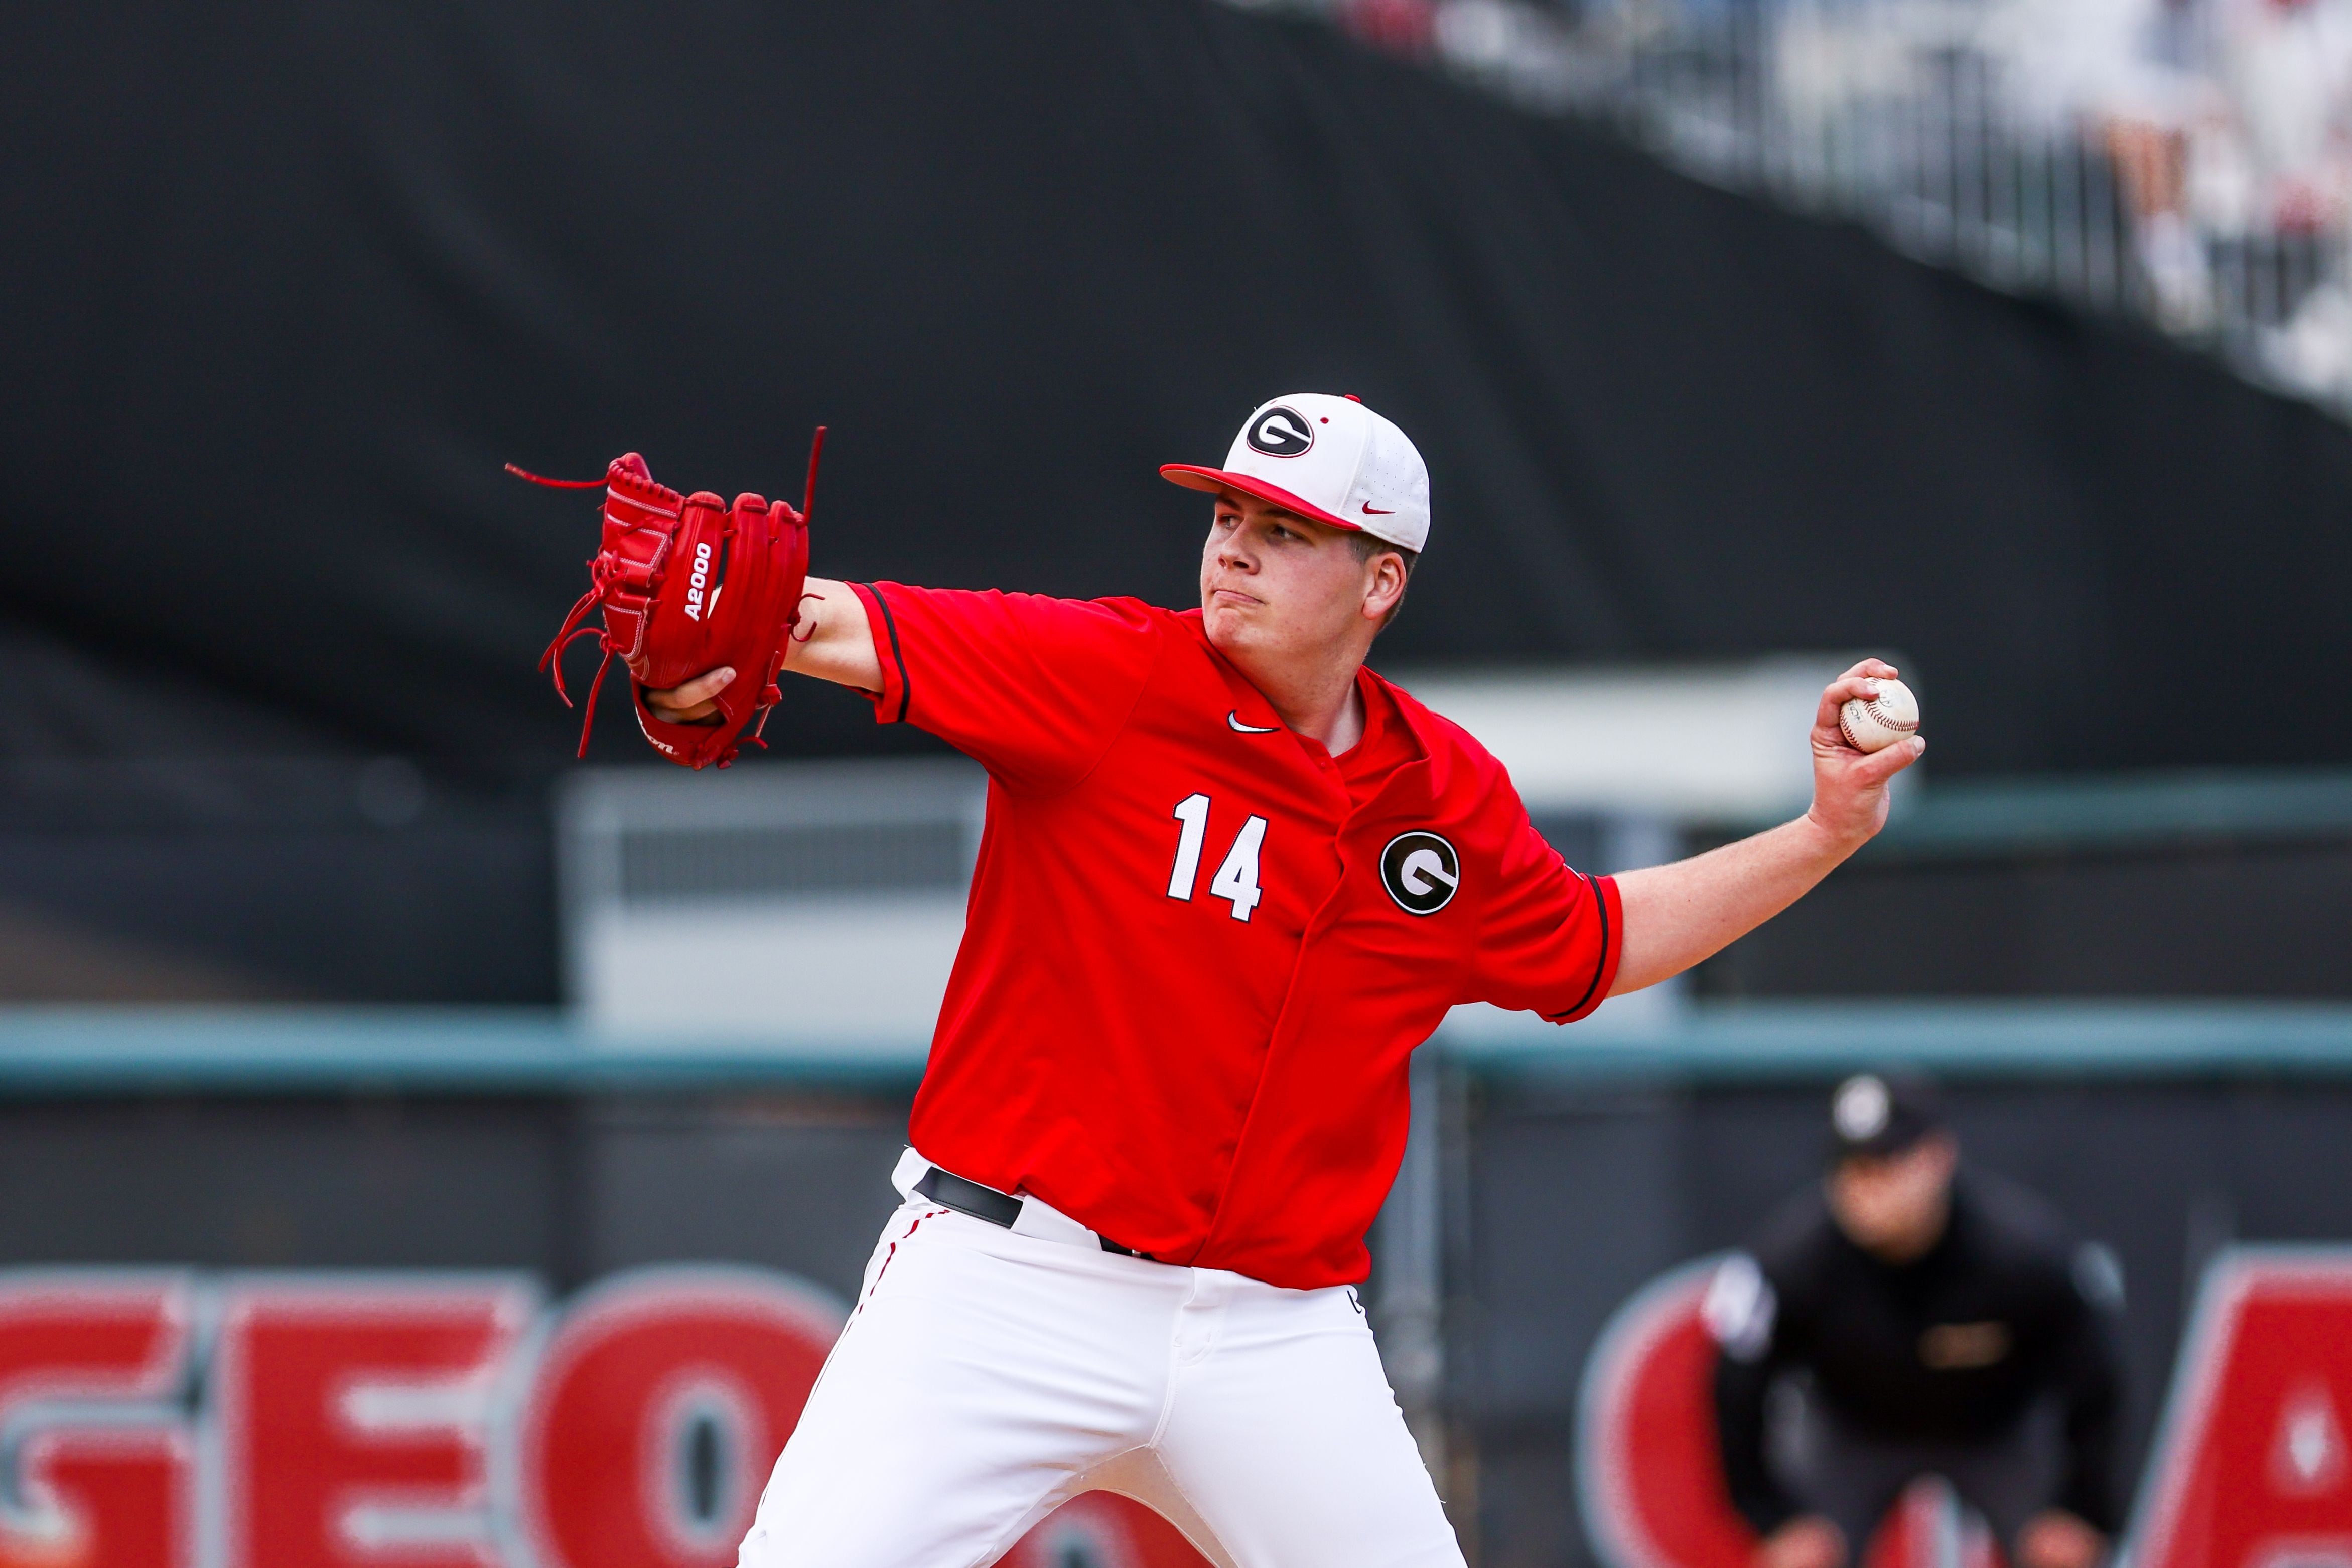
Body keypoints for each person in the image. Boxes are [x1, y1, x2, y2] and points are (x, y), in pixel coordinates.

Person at [646, 393, 1924, 1568]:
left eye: (1283, 528)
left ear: (1380, 579)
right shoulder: (1106, 675)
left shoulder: (1442, 794)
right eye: (1225, 515)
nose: (1233, 550)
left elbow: (1594, 942)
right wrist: (725, 629)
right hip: (1006, 1283)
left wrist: (1817, 833)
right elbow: (832, 623)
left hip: (1271, 1327)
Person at [1708, 1074, 2126, 1568]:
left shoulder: (2023, 1252)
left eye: (1887, 1162)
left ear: (1939, 1157)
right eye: (1851, 1166)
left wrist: (2081, 1508)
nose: (1867, 1187)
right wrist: (1773, 1518)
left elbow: (2097, 1382)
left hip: (1997, 1431)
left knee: (2064, 1553)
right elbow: (1734, 1389)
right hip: (1852, 1431)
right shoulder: (1791, 1260)